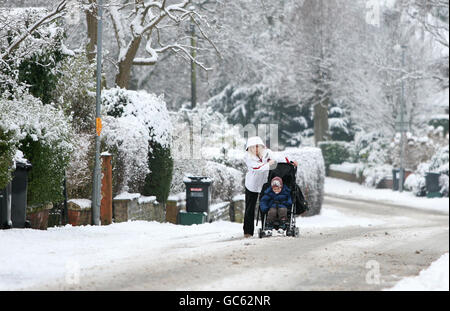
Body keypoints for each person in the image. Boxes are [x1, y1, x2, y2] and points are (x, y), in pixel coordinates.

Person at [243, 136, 297, 238]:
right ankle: (248, 232)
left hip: (265, 183)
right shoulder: (247, 157)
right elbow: (256, 168)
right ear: (250, 149)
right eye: (253, 147)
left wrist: (290, 161)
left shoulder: (267, 153)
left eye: (258, 147)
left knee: (266, 204)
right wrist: (269, 165)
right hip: (252, 185)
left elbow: (279, 157)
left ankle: (265, 226)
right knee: (249, 208)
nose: (256, 149)